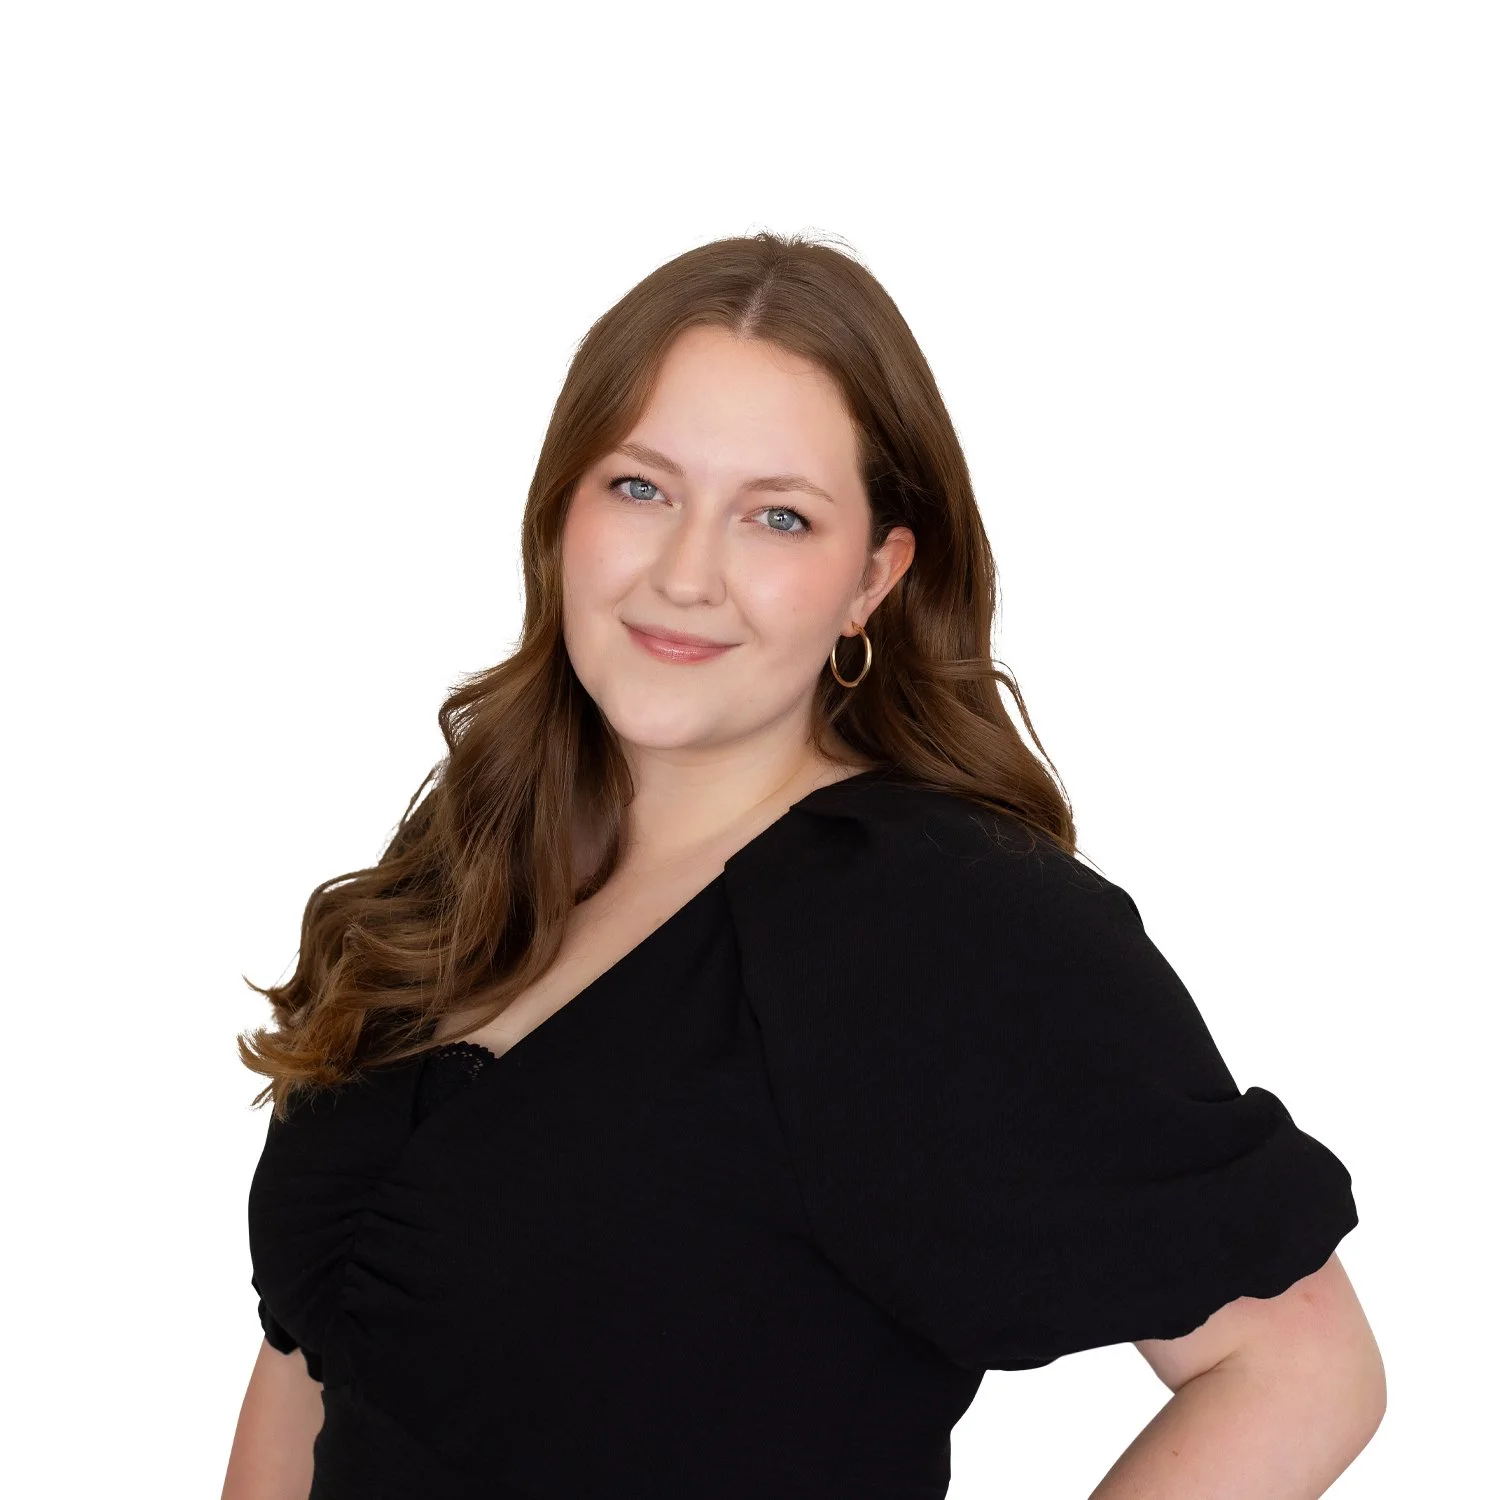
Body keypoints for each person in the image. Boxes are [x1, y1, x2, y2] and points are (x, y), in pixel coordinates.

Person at [222, 232, 1383, 1500]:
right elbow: (315, 1359)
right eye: (640, 488)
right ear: (560, 509)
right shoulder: (471, 849)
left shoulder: (940, 919)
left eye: (778, 517)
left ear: (872, 578)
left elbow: (1299, 1367)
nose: (685, 574)